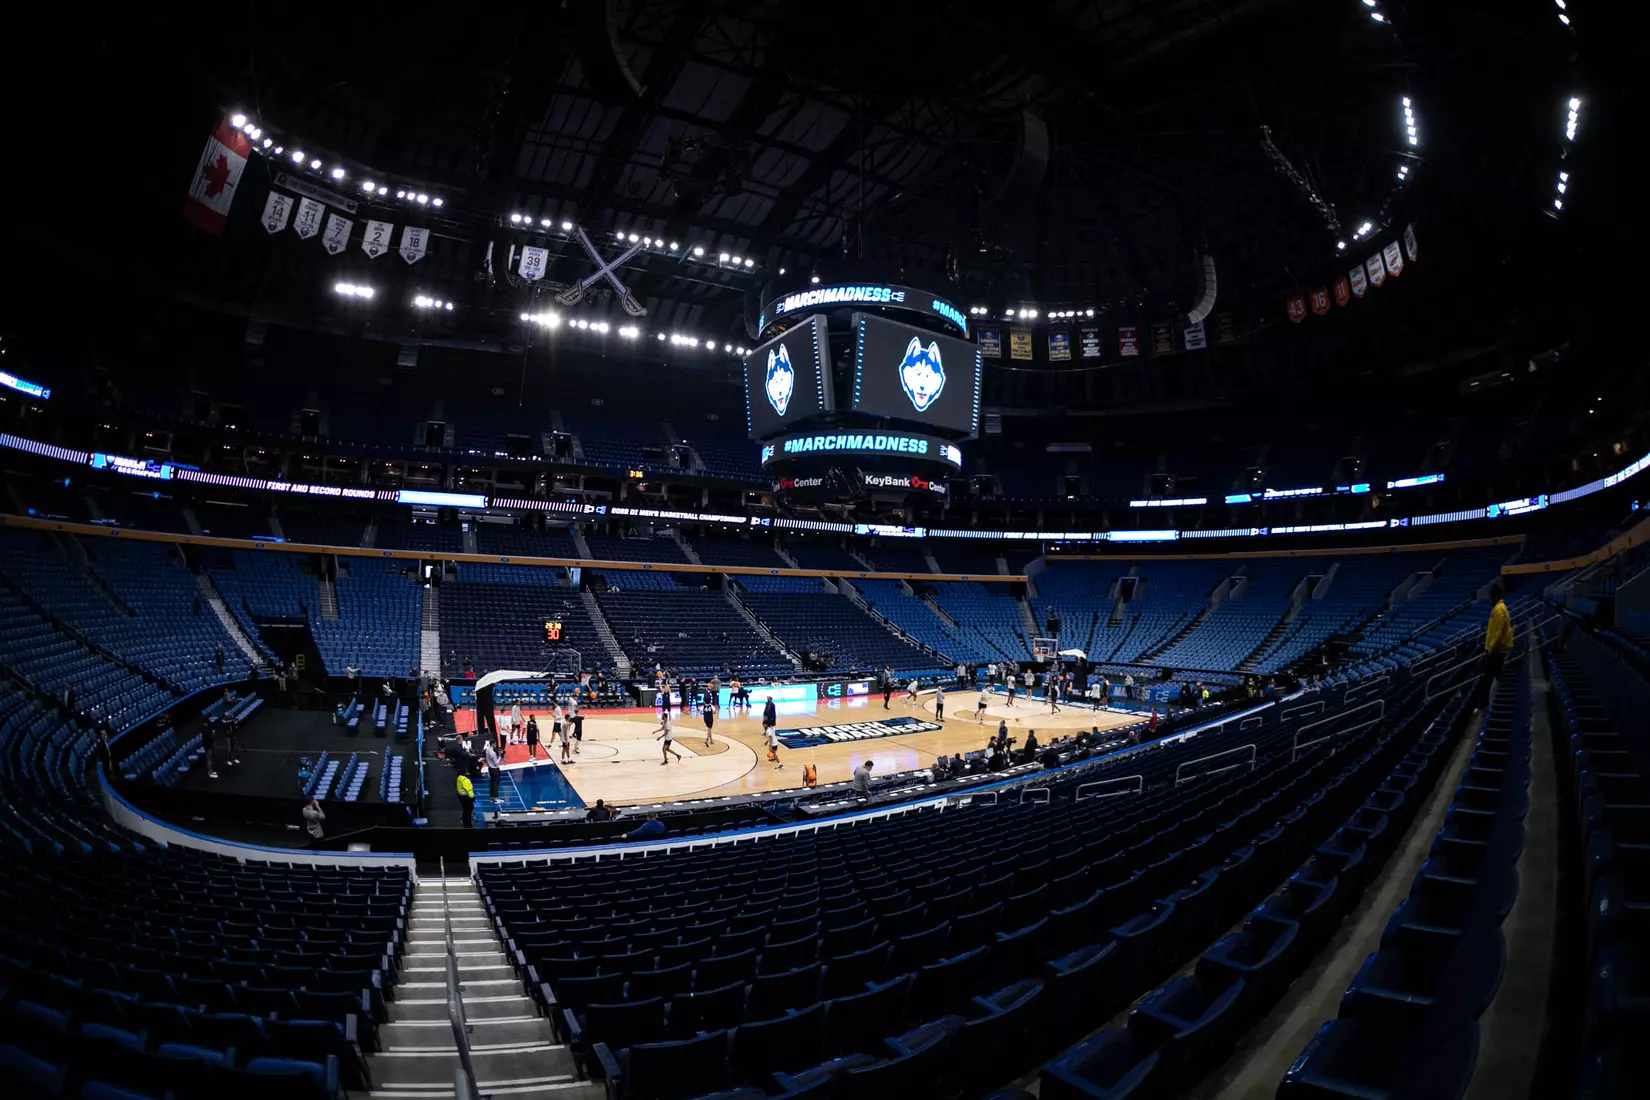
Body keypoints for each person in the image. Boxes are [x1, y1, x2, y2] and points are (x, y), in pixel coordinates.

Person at [1480, 582, 1514, 705]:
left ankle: (1484, 703)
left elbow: (1498, 633)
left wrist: (1490, 648)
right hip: (1497, 649)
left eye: (1490, 597)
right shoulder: (1498, 609)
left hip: (1497, 650)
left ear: (1494, 597)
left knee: (1488, 676)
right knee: (1496, 674)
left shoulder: (1499, 610)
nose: (1489, 600)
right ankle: (1505, 698)